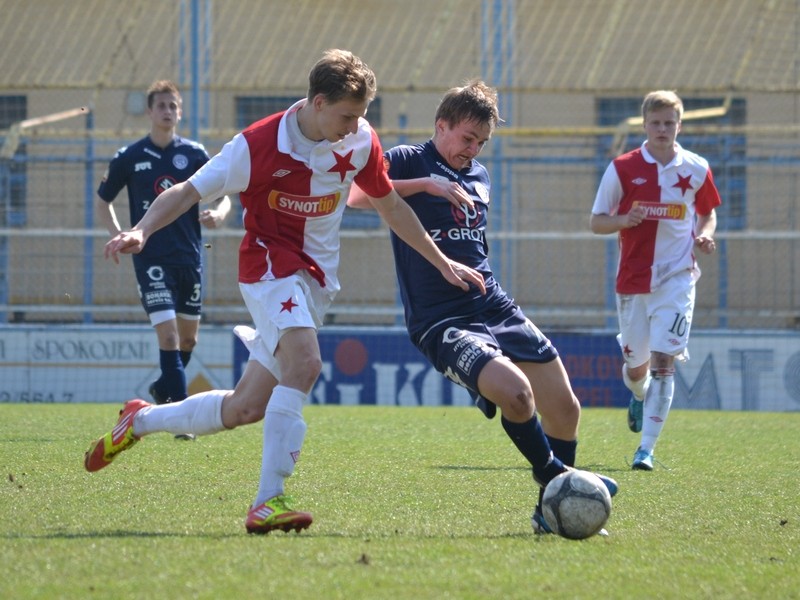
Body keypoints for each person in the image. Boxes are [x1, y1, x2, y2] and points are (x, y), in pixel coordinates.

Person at [84, 49, 486, 535]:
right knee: (306, 363)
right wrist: (142, 230)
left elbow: (391, 207)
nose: (355, 126)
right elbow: (187, 191)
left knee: (244, 408)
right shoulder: (256, 145)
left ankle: (140, 420)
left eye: (361, 115)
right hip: (270, 267)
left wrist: (442, 263)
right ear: (318, 103)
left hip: (316, 282)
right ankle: (267, 501)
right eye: (347, 115)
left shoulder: (360, 139)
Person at [347, 80, 618, 535]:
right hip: (442, 318)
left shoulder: (480, 176)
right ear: (442, 125)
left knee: (565, 408)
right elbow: (356, 196)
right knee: (517, 395)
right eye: (467, 138)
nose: (472, 150)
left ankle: (549, 513)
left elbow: (473, 244)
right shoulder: (407, 159)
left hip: (494, 305)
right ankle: (556, 477)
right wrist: (427, 185)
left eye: (482, 143)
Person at [590, 90, 721, 470]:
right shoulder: (623, 168)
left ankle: (645, 449)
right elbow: (596, 221)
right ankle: (638, 394)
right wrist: (623, 220)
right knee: (637, 369)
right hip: (633, 280)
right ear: (645, 125)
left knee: (665, 361)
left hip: (678, 278)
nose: (662, 129)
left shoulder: (696, 168)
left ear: (680, 125)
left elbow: (708, 213)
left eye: (669, 123)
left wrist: (704, 234)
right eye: (656, 123)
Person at [96, 80, 231, 413]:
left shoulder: (194, 154)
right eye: (161, 105)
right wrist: (119, 234)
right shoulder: (129, 156)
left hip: (189, 257)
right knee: (169, 337)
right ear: (149, 111)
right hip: (151, 258)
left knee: (188, 340)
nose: (168, 111)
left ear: (180, 112)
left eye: (173, 106)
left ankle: (162, 387)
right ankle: (181, 416)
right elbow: (103, 201)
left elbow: (224, 194)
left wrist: (220, 213)